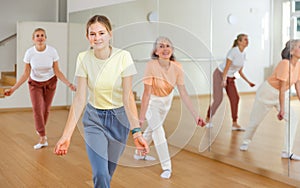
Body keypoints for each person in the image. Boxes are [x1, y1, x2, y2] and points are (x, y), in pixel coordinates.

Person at [53, 15, 149, 188]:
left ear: (110, 34)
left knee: (107, 174)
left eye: (101, 33)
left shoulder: (123, 57)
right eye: (92, 34)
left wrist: (136, 132)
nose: (97, 38)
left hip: (119, 120)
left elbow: (128, 97)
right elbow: (80, 98)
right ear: (87, 37)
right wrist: (66, 136)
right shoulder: (83, 57)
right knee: (100, 173)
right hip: (94, 119)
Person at [136, 36, 206, 179]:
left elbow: (183, 93)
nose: (165, 49)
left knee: (152, 129)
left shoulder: (177, 67)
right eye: (161, 46)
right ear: (156, 51)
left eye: (168, 46)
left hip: (166, 101)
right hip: (152, 102)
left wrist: (195, 115)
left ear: (172, 50)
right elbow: (146, 93)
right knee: (158, 131)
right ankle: (167, 167)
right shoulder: (151, 65)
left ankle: (139, 154)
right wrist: (141, 118)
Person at [4, 28, 76, 150]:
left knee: (46, 110)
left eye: (42, 35)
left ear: (45, 38)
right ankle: (42, 137)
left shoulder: (52, 51)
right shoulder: (29, 53)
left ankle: (40, 128)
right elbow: (25, 73)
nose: (40, 37)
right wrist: (13, 89)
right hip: (35, 84)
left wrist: (69, 84)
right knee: (37, 109)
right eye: (37, 35)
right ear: (33, 39)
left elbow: (57, 71)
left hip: (51, 83)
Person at [239, 39, 300, 160]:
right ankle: (246, 140)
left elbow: (298, 85)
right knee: (255, 120)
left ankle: (286, 151)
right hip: (267, 93)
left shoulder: (298, 64)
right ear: (292, 51)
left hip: (282, 94)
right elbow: (282, 88)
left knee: (293, 118)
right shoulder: (284, 64)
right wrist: (281, 110)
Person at [206, 33, 255, 130]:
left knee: (235, 98)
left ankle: (234, 123)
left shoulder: (243, 54)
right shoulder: (233, 51)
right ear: (239, 42)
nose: (247, 41)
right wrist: (224, 79)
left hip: (230, 78)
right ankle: (208, 119)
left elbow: (240, 71)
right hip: (220, 74)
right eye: (245, 39)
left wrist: (248, 82)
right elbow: (226, 67)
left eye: (247, 39)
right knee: (218, 99)